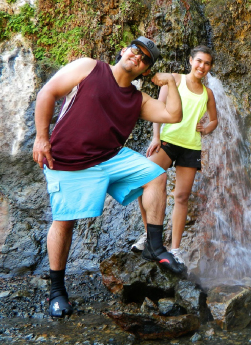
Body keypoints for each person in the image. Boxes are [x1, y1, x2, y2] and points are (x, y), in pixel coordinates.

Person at [33, 37, 184, 318]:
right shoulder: (89, 67)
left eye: (146, 59)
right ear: (124, 50)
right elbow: (48, 93)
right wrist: (42, 138)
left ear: (145, 70)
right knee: (64, 223)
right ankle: (57, 291)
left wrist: (171, 83)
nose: (138, 57)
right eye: (135, 50)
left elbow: (173, 115)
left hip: (110, 158)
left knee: (156, 176)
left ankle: (155, 246)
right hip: (68, 161)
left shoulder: (137, 99)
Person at [131, 46, 218, 268]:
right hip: (168, 141)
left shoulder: (208, 93)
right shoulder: (174, 80)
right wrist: (155, 137)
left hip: (191, 147)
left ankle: (176, 249)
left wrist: (205, 129)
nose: (202, 67)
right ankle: (149, 237)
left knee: (181, 197)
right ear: (190, 60)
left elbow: (214, 120)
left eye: (207, 64)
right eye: (199, 61)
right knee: (144, 181)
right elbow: (158, 109)